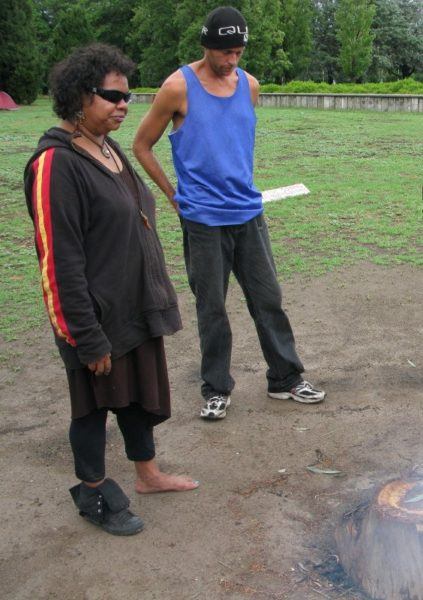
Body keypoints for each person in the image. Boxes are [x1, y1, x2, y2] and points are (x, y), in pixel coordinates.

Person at [24, 43, 199, 537]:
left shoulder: (106, 145)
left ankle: (148, 475)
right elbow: (57, 261)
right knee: (93, 403)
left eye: (128, 96)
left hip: (134, 307)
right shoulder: (55, 163)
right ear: (80, 97)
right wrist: (86, 335)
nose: (124, 105)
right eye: (112, 96)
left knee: (136, 395)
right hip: (94, 317)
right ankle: (94, 491)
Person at [133, 6, 326, 421]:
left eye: (238, 52)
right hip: (203, 220)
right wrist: (172, 195)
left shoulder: (250, 86)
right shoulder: (176, 88)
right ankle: (216, 388)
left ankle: (286, 379)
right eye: (226, 53)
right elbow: (141, 145)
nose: (232, 61)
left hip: (248, 214)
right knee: (212, 308)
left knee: (268, 299)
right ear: (207, 47)